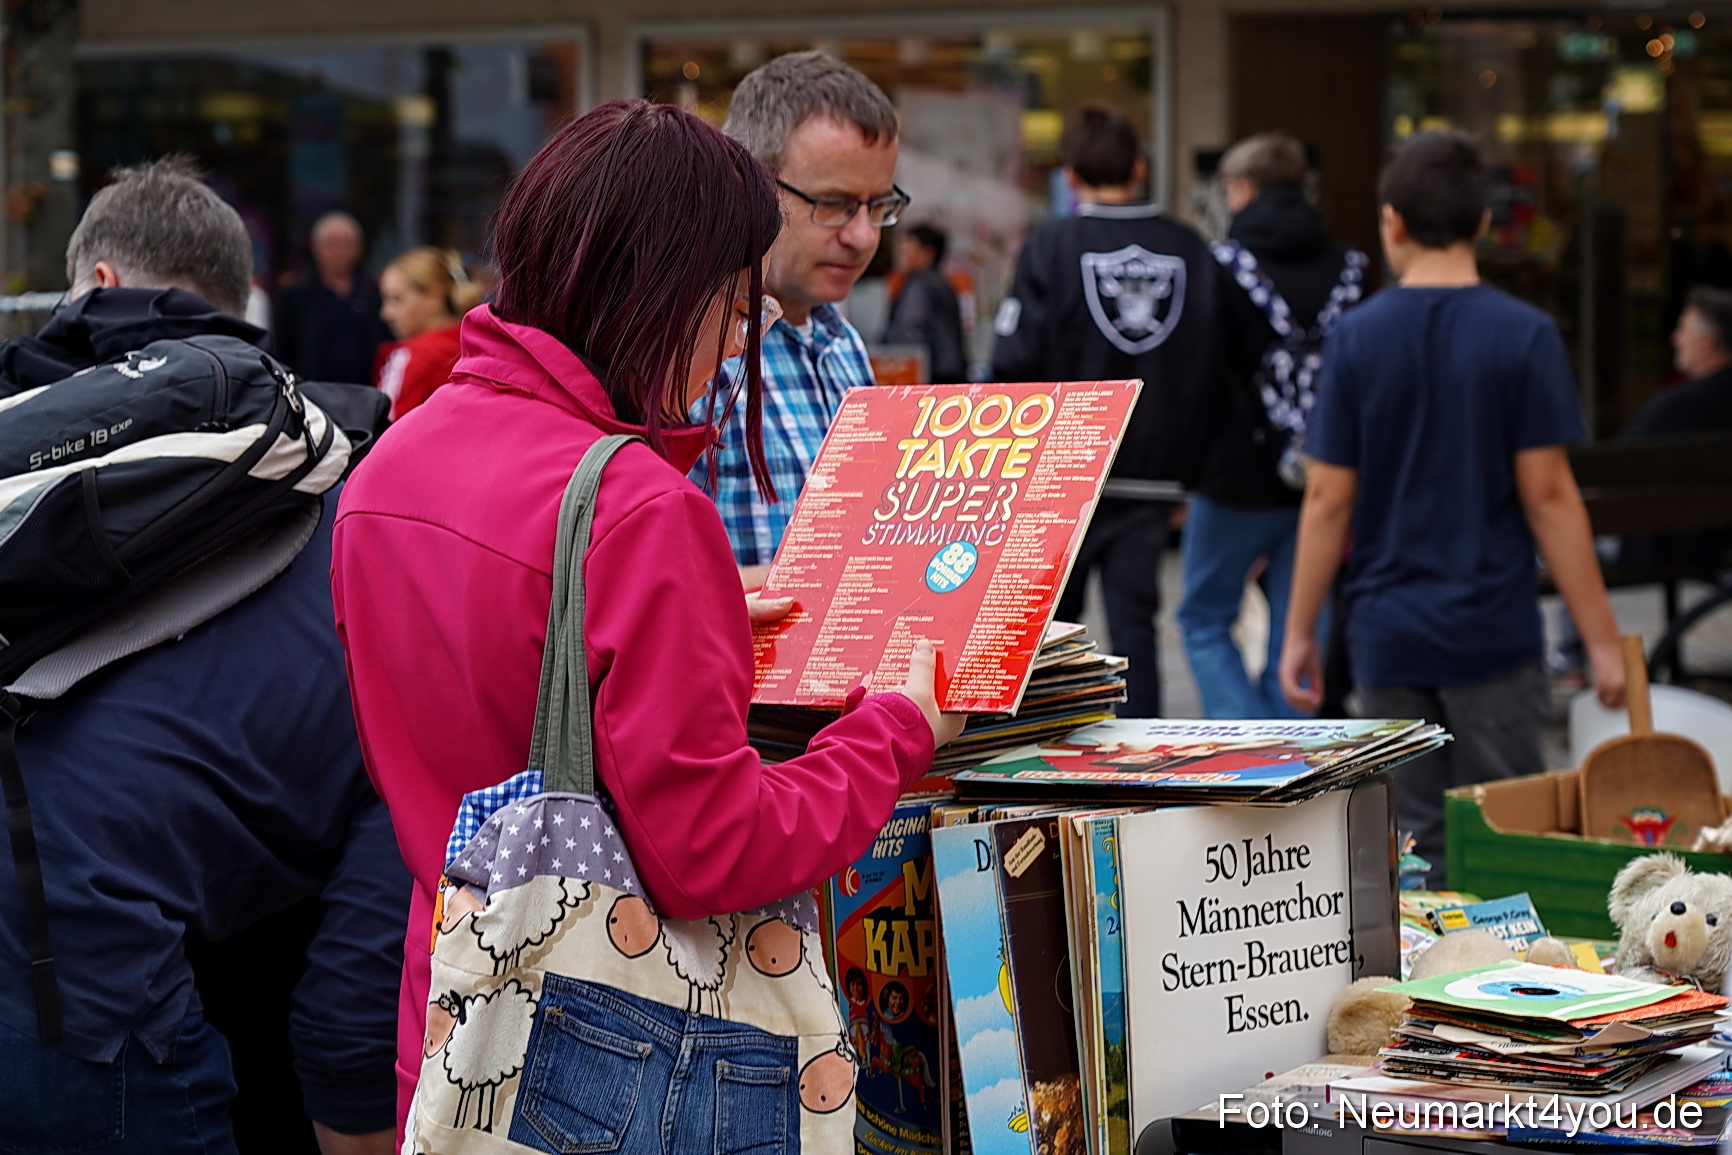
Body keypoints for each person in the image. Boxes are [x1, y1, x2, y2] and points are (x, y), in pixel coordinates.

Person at [330, 100, 962, 1141]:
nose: (731, 344)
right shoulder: (638, 511)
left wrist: (700, 625)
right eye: (731, 305)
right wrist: (894, 732)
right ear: (668, 294)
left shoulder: (391, 462)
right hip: (621, 1053)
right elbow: (712, 850)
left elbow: (490, 677)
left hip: (457, 1013)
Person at [0, 159, 404, 1154]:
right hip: (80, 970)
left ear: (93, 284)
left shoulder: (29, 441)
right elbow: (360, 962)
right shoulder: (343, 489)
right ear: (247, 299)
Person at [1277, 130, 1625, 882]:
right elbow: (1552, 498)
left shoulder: (1356, 339)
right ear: (1486, 223)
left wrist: (1300, 628)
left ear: (1392, 222)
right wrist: (1599, 640)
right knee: (1508, 833)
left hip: (1386, 629)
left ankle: (1421, 996)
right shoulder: (1525, 334)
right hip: (1494, 630)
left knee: (1406, 845)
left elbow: (1330, 498)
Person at [991, 104, 1223, 716]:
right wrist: (1192, 469)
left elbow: (1012, 363)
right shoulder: (1190, 248)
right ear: (1140, 168)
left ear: (1070, 176)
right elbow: (1214, 364)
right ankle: (1141, 774)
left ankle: (1043, 762)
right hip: (1154, 477)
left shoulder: (1051, 244)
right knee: (1135, 631)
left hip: (1065, 479)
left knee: (1047, 639)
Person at [690, 50, 904, 578]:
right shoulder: (693, 349)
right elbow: (640, 580)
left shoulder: (842, 341)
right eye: (832, 204)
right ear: (750, 184)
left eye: (879, 206)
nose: (864, 236)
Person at [1179, 132, 1363, 719]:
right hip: (1326, 480)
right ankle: (1291, 753)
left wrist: (1189, 468)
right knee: (1299, 627)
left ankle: (1251, 748)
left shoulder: (1222, 265)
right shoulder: (1352, 268)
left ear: (1242, 189)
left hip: (1234, 476)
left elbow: (1199, 374)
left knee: (1204, 618)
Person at [274, 211, 393, 385]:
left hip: (366, 392)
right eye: (332, 244)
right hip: (311, 393)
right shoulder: (297, 293)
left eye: (346, 244)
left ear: (359, 248)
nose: (339, 252)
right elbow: (283, 348)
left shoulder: (374, 292)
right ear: (316, 247)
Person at [373, 246, 484, 420]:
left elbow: (384, 429)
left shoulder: (412, 356)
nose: (386, 313)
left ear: (433, 297)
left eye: (396, 299)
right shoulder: (481, 346)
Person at [884, 222, 968, 383]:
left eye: (907, 250)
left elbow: (909, 332)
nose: (901, 255)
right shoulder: (942, 283)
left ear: (928, 253)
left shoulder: (919, 286)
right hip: (949, 376)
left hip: (927, 379)